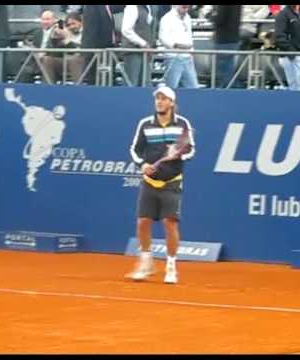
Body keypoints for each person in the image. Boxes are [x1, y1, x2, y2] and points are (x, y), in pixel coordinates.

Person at [128, 86, 196, 284]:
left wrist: (178, 153)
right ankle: (146, 262)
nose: (159, 102)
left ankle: (171, 266)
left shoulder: (183, 124)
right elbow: (135, 149)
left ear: (172, 103)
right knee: (143, 222)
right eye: (157, 98)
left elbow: (191, 150)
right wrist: (143, 164)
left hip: (172, 182)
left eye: (164, 99)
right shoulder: (145, 124)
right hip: (149, 181)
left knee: (170, 222)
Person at [158, 5, 199, 89]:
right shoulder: (167, 18)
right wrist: (176, 45)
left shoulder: (188, 18)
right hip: (173, 57)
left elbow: (189, 35)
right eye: (184, 7)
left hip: (187, 58)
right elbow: (162, 37)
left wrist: (191, 51)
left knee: (193, 88)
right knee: (171, 88)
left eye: (187, 8)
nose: (186, 10)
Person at [121, 5, 158, 87]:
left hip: (144, 52)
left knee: (145, 83)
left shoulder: (148, 8)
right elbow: (126, 30)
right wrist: (143, 43)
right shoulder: (132, 7)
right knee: (131, 83)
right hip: (133, 52)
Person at [275, 5, 300, 91]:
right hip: (290, 56)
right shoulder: (283, 14)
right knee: (295, 88)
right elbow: (279, 36)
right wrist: (292, 53)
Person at [212, 5, 242, 88]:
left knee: (224, 72)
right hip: (233, 38)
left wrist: (209, 15)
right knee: (229, 69)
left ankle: (230, 92)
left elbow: (219, 19)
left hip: (224, 40)